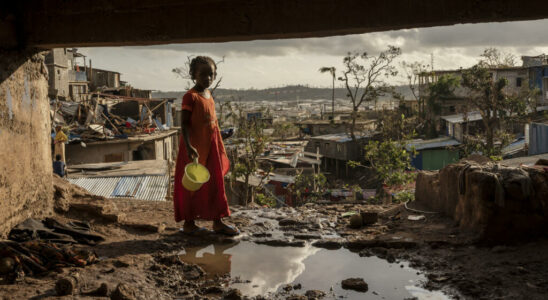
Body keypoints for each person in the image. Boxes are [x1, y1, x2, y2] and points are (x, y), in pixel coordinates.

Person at [173, 56, 239, 236]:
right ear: (193, 75)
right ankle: (189, 223)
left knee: (215, 184)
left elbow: (210, 123)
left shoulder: (209, 95)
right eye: (203, 74)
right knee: (191, 188)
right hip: (194, 150)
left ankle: (218, 222)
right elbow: (184, 124)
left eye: (211, 74)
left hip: (211, 148)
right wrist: (188, 146)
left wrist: (221, 136)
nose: (208, 79)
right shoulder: (190, 97)